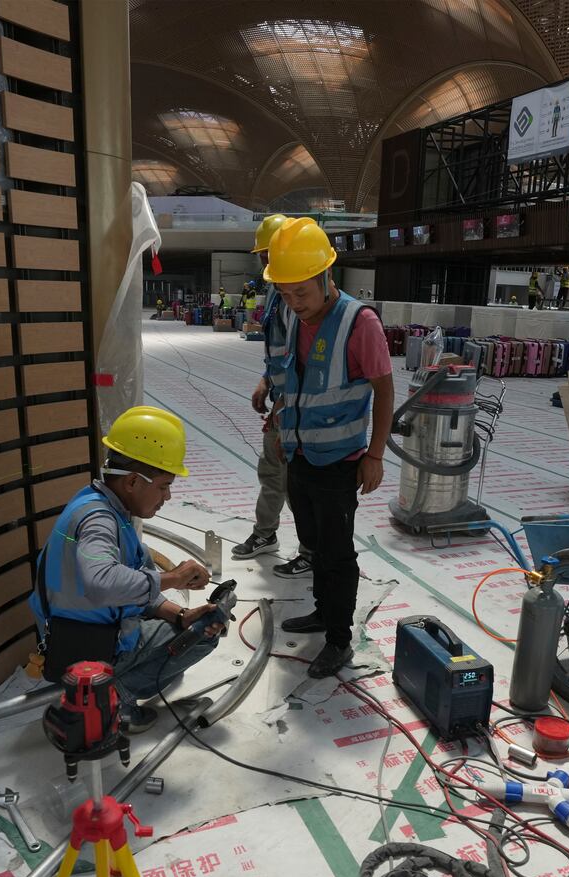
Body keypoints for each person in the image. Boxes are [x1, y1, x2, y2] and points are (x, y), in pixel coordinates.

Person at [30, 406, 225, 733]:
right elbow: (102, 582)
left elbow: (136, 586)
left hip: (83, 633)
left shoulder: (104, 508)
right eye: (163, 486)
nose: (167, 496)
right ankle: (114, 697)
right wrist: (174, 577)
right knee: (203, 639)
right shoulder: (99, 521)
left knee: (200, 626)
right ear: (134, 481)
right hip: (85, 648)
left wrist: (179, 615)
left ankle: (112, 686)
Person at [262, 218, 395, 678]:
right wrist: (281, 430)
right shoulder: (291, 320)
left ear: (326, 278)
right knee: (314, 545)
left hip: (340, 461)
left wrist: (375, 455)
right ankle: (323, 611)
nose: (294, 303)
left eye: (302, 292)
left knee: (338, 555)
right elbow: (293, 385)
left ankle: (339, 640)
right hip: (299, 456)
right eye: (285, 293)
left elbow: (385, 389)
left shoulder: (360, 323)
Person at [234, 214, 315, 578]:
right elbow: (280, 348)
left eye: (271, 253)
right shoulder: (275, 288)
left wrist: (284, 405)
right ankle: (266, 534)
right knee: (272, 472)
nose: (267, 262)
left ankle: (312, 549)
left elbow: (304, 357)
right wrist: (267, 380)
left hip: (299, 406)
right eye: (264, 255)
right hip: (283, 397)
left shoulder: (302, 293)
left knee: (300, 483)